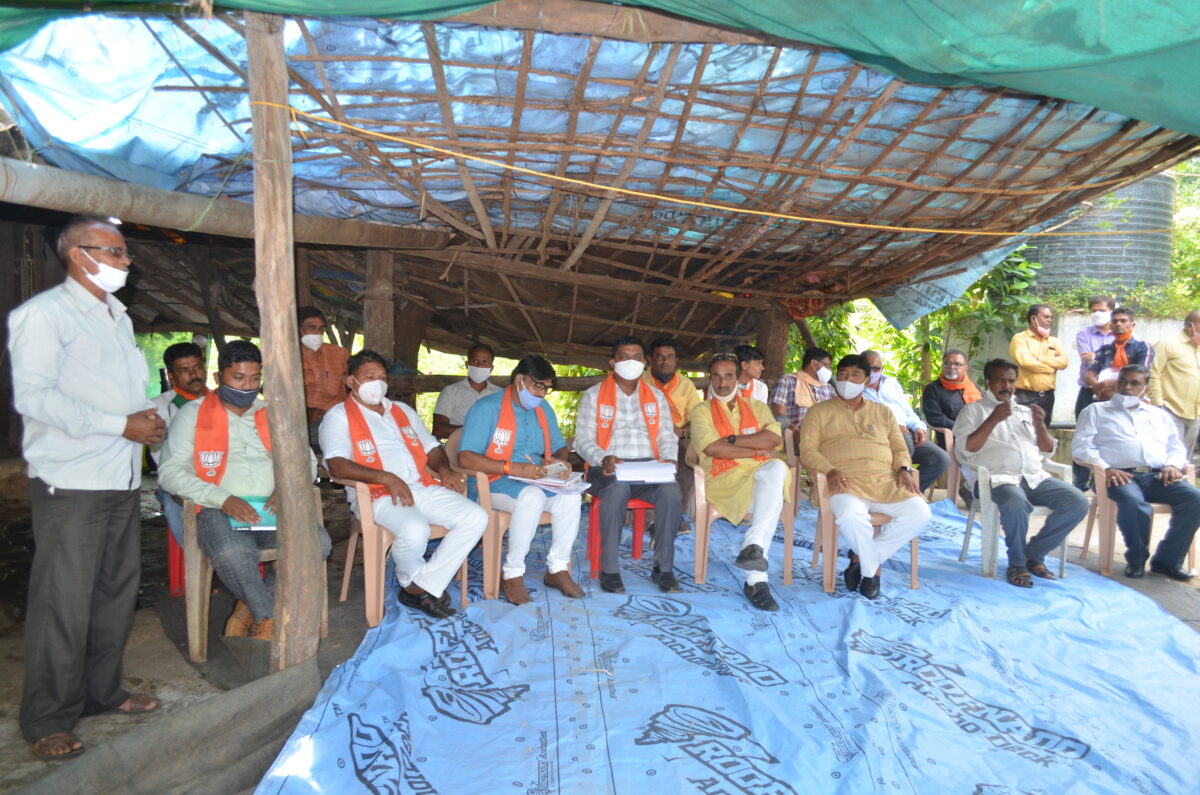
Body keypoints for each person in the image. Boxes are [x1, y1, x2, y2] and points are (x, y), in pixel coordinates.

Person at [9, 215, 164, 760]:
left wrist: (145, 418)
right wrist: (121, 425)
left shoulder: (117, 316)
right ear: (79, 254)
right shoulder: (44, 315)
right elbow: (34, 397)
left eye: (125, 253)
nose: (126, 261)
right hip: (72, 480)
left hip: (119, 476)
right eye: (115, 252)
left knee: (115, 593)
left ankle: (101, 693)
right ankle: (47, 717)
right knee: (64, 601)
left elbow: (113, 391)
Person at [159, 340, 331, 638]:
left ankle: (249, 607)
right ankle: (268, 617)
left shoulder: (275, 413)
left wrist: (288, 489)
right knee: (233, 553)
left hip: (273, 509)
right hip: (217, 511)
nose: (247, 386)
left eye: (254, 378)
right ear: (218, 377)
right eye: (238, 378)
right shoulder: (192, 415)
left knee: (318, 544)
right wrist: (223, 499)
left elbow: (306, 462)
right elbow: (170, 473)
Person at [320, 349, 487, 619]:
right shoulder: (338, 416)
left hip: (420, 485)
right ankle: (419, 587)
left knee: (476, 517)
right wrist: (387, 478)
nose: (378, 383)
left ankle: (419, 585)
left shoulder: (401, 411)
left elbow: (432, 447)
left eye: (382, 377)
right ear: (351, 381)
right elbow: (336, 465)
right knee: (414, 529)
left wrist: (444, 470)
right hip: (377, 494)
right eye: (369, 377)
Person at [799, 354, 930, 599]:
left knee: (920, 512)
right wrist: (829, 469)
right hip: (843, 481)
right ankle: (872, 572)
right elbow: (807, 450)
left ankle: (861, 558)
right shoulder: (818, 411)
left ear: (867, 380)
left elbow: (899, 447)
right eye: (843, 374)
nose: (847, 380)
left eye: (855, 375)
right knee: (850, 515)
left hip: (886, 480)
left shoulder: (884, 412)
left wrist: (904, 469)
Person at [953, 358, 1089, 589]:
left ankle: (1033, 554)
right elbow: (966, 449)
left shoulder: (1025, 411)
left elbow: (1047, 449)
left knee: (1077, 501)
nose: (1007, 386)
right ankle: (1017, 564)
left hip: (1034, 477)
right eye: (1000, 381)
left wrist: (1040, 425)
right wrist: (994, 418)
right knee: (1016, 501)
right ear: (988, 382)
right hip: (996, 479)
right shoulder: (973, 411)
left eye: (1011, 381)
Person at [458, 356, 584, 604]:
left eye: (546, 388)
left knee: (571, 496)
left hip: (535, 478)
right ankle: (512, 574)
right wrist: (509, 467)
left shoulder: (543, 409)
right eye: (538, 386)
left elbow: (559, 446)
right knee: (532, 497)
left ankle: (557, 569)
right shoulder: (487, 409)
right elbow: (465, 457)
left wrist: (560, 463)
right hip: (494, 481)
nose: (542, 394)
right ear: (519, 380)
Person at [576, 336, 682, 594]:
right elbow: (582, 440)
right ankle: (609, 569)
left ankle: (663, 568)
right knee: (616, 491)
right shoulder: (594, 395)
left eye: (636, 357)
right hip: (609, 467)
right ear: (613, 362)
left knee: (671, 493)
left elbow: (667, 436)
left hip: (648, 468)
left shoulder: (656, 396)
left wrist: (669, 459)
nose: (630, 362)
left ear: (645, 363)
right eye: (624, 357)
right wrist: (602, 457)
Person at [1074, 364, 1200, 581]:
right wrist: (1106, 468)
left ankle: (1166, 562)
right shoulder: (1096, 411)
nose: (1127, 387)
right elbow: (1081, 447)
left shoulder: (1158, 415)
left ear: (1146, 389)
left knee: (1195, 499)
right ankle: (1137, 560)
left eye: (1135, 383)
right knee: (1133, 503)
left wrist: (1172, 465)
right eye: (1123, 381)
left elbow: (1176, 447)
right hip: (1117, 476)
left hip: (1158, 476)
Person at [690, 354, 789, 610]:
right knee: (772, 495)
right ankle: (756, 579)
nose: (722, 383)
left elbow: (773, 440)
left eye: (728, 376)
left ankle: (753, 549)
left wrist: (732, 440)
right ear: (710, 379)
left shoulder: (758, 407)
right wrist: (756, 449)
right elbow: (713, 449)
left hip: (760, 478)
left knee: (776, 469)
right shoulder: (701, 411)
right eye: (716, 377)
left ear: (738, 378)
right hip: (724, 480)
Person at [861, 350, 949, 494]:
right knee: (903, 442)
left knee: (940, 458)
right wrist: (892, 427)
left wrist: (919, 428)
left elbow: (907, 410)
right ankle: (893, 495)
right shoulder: (856, 390)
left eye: (876, 369)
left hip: (908, 432)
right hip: (882, 436)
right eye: (868, 368)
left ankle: (907, 494)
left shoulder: (891, 383)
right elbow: (863, 418)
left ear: (882, 369)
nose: (872, 372)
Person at [150, 341, 209, 546]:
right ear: (171, 375)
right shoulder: (159, 407)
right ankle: (194, 552)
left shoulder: (220, 400)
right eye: (184, 370)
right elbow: (161, 456)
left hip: (219, 475)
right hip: (178, 477)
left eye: (198, 367)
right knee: (177, 504)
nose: (194, 375)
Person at [645, 337, 702, 534]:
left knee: (689, 454)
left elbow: (697, 418)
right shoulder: (640, 383)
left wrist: (682, 432)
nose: (665, 361)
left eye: (670, 357)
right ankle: (652, 519)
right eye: (659, 357)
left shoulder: (686, 385)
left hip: (678, 437)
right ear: (650, 359)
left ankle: (677, 514)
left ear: (676, 361)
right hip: (647, 436)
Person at [1072, 295, 1116, 490]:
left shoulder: (1119, 334)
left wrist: (1097, 355)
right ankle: (1080, 484)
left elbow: (1120, 360)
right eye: (1094, 310)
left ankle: (1104, 483)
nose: (1097, 314)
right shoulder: (1084, 334)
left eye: (1102, 310)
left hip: (1113, 393)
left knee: (1109, 436)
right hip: (1088, 392)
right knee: (1083, 436)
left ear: (1112, 311)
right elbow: (1087, 359)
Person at [1149, 310, 1200, 463]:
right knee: (1169, 458)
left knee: (1185, 460)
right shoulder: (1167, 343)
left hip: (1195, 414)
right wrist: (1158, 404)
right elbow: (1153, 373)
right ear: (1190, 325)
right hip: (1170, 410)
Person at [298, 306, 350, 452]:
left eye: (321, 328)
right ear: (297, 328)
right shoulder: (287, 356)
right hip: (300, 421)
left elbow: (354, 385)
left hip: (335, 416)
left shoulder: (339, 355)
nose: (317, 333)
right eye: (311, 327)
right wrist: (306, 412)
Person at [1008, 304, 1068, 427]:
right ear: (1033, 319)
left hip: (1047, 397)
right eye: (1046, 317)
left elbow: (1064, 362)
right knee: (1022, 432)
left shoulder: (1054, 341)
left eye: (1051, 317)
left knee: (1043, 433)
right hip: (1024, 396)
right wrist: (1050, 368)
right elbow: (1025, 361)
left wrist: (1040, 359)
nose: (1050, 320)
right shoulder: (1020, 339)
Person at [1083, 307, 1154, 403]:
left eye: (1123, 321)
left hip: (1132, 400)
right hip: (1105, 399)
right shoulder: (1104, 349)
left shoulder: (1143, 347)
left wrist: (1106, 384)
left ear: (1132, 325)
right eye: (1115, 321)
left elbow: (1140, 375)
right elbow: (1089, 376)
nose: (1118, 324)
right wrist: (1101, 390)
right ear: (1110, 325)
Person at [432, 343, 502, 439]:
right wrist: (476, 430)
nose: (480, 366)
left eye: (485, 362)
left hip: (490, 448)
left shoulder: (499, 394)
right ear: (467, 364)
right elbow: (439, 430)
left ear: (491, 368)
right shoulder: (451, 392)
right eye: (475, 361)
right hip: (457, 446)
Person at [920, 348, 980, 441]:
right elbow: (935, 419)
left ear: (966, 368)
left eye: (957, 364)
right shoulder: (933, 389)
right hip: (954, 437)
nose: (951, 367)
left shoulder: (974, 388)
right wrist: (963, 427)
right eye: (947, 363)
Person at [769, 346, 834, 431]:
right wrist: (796, 431)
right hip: (797, 433)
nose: (830, 370)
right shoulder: (787, 381)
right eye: (827, 366)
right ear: (814, 364)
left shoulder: (829, 389)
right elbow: (778, 414)